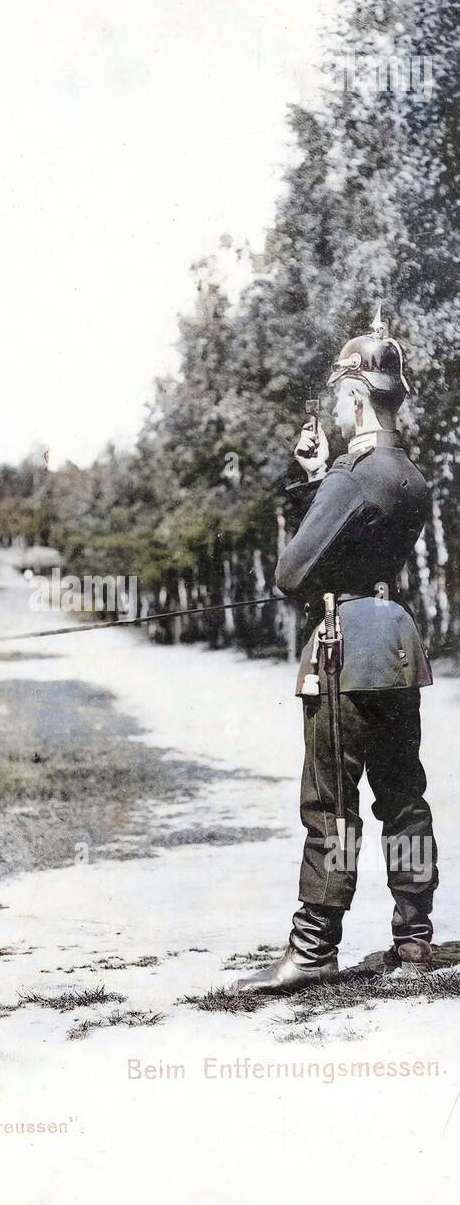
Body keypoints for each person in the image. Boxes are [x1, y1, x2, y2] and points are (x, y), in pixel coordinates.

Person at [234, 307, 438, 994]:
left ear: (355, 397)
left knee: (332, 805)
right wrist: (326, 474)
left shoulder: (353, 477)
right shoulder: (408, 474)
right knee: (404, 798)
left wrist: (322, 481)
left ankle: (314, 946)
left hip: (345, 649)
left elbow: (293, 572)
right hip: (398, 644)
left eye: (340, 395)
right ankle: (414, 940)